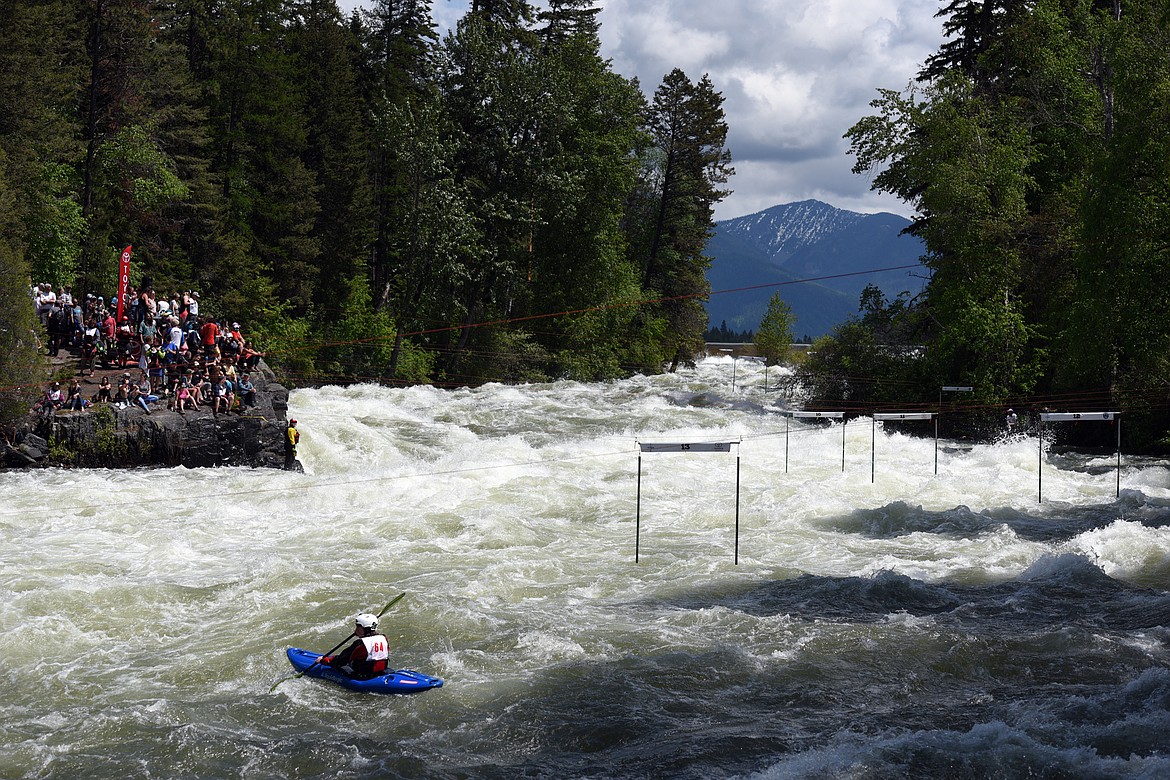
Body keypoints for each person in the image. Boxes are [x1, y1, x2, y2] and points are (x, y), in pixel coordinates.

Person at [317, 613, 389, 680]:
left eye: (358, 627)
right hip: (380, 671)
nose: (355, 630)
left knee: (339, 665)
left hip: (362, 675)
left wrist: (324, 660)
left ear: (365, 628)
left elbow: (342, 660)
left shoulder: (360, 643)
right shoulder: (384, 638)